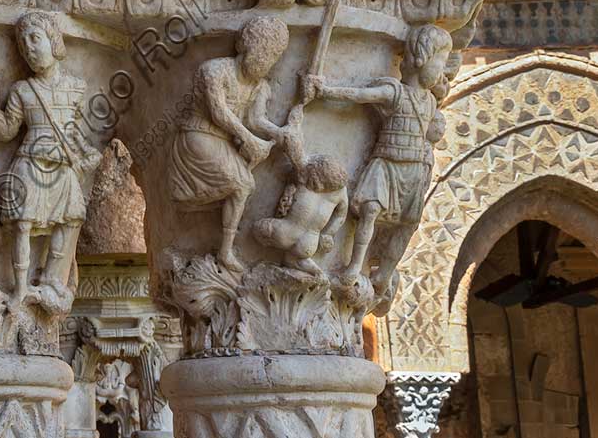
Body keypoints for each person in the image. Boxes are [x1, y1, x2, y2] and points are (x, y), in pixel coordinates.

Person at [304, 24, 452, 291]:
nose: (442, 71)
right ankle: (352, 265)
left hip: (414, 169)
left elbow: (432, 131)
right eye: (440, 62)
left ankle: (384, 271)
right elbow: (360, 96)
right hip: (387, 163)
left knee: (408, 224)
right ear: (420, 59)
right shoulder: (394, 92)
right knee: (370, 212)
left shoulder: (429, 102)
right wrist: (324, 91)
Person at [0, 12, 100, 303]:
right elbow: (4, 131)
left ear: (54, 40)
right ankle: (20, 287)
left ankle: (52, 277)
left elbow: (73, 132)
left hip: (62, 167)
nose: (29, 48)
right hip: (29, 163)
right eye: (23, 44)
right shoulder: (22, 90)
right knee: (23, 225)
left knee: (71, 219)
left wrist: (88, 153)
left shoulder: (76, 87)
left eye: (35, 39)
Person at [167, 16, 288, 272]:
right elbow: (218, 113)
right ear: (246, 46)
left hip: (224, 142)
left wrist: (280, 133)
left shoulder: (260, 86)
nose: (265, 64)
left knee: (243, 186)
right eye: (262, 55)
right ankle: (223, 248)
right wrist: (249, 139)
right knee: (244, 184)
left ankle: (224, 249)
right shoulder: (214, 70)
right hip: (197, 137)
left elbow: (256, 119)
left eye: (272, 60)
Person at [252, 103, 349, 278]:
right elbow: (341, 215)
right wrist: (328, 234)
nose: (318, 189)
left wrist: (299, 106)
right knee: (294, 258)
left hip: (284, 230)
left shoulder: (306, 169)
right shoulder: (340, 192)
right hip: (309, 243)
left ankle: (262, 258)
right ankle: (313, 269)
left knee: (259, 229)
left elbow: (291, 138)